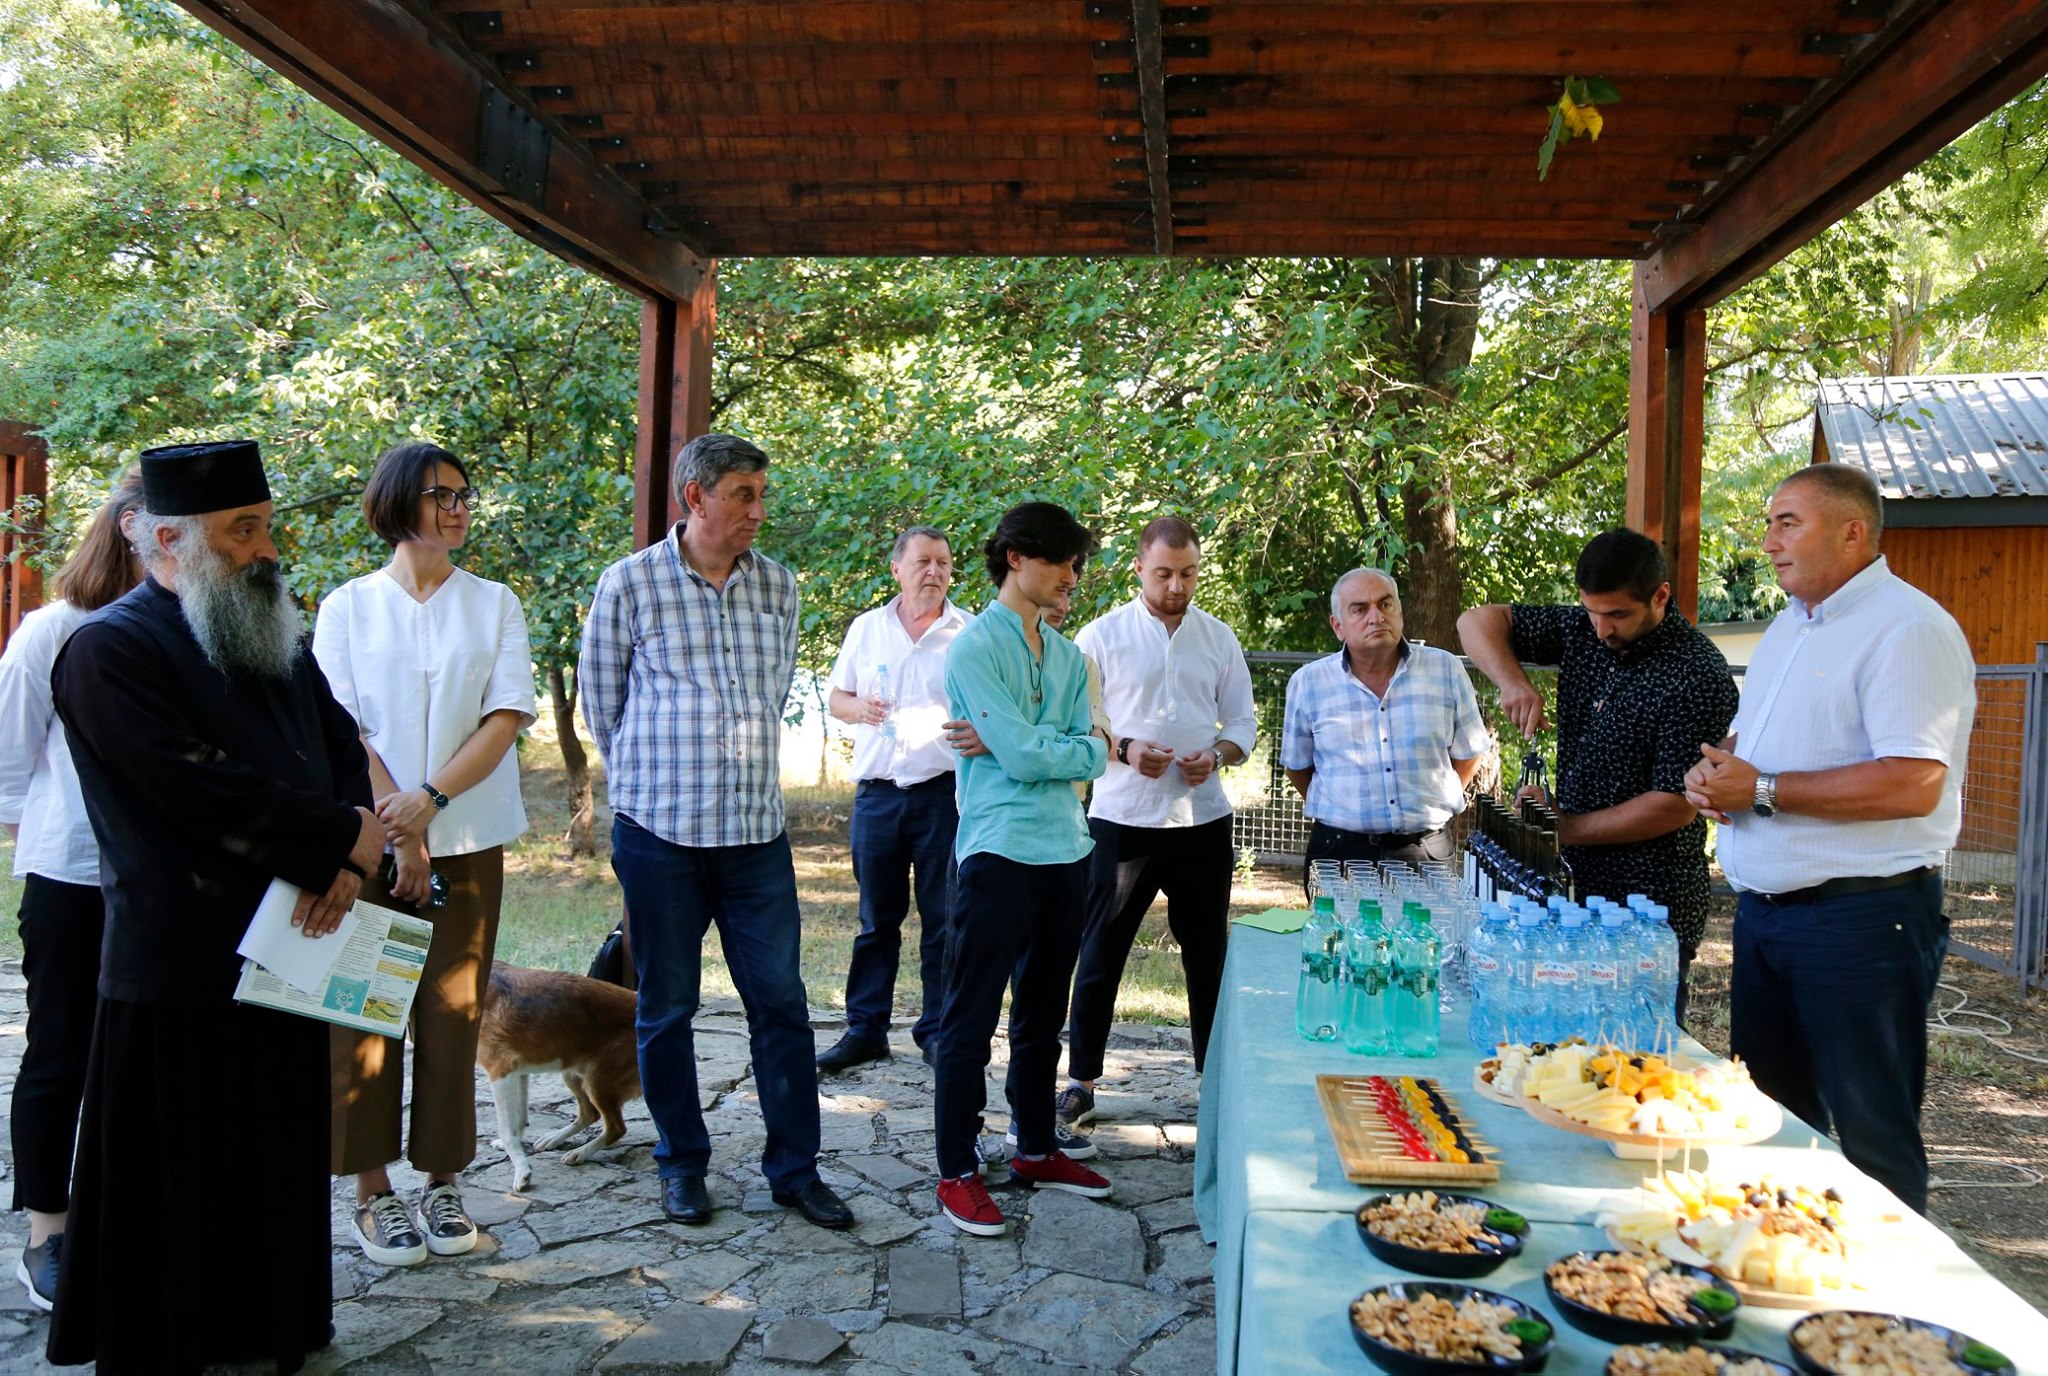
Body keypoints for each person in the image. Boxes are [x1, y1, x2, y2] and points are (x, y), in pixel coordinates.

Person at [48, 439, 387, 1374]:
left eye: (265, 525)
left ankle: (269, 1327)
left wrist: (346, 859)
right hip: (181, 960)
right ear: (169, 540)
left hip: (292, 939)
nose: (265, 549)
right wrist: (338, 838)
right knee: (178, 1169)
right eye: (242, 530)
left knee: (273, 1150)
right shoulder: (109, 651)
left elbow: (337, 748)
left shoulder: (271, 629)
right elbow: (191, 791)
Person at [579, 432, 853, 1232]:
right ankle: (681, 1164)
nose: (758, 511)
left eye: (762, 495)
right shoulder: (629, 584)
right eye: (743, 495)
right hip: (660, 836)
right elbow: (603, 705)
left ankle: (795, 1171)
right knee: (667, 1007)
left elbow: (771, 695)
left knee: (782, 1005)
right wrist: (655, 781)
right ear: (695, 496)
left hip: (754, 837)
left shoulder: (779, 586)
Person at [1683, 464, 1973, 1215]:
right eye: (1769, 523)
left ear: (1852, 532)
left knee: (1872, 1134)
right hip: (1769, 916)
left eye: (1788, 523)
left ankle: (1894, 1285)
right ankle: (1785, 1267)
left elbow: (1913, 782)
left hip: (1861, 920)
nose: (1769, 542)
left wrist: (1762, 790)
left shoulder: (1907, 629)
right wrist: (1717, 773)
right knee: (1769, 1121)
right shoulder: (1792, 624)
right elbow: (1757, 743)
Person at [314, 442, 536, 1264]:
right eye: (441, 494)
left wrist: (431, 803)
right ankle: (373, 1193)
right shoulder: (347, 608)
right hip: (371, 840)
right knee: (366, 1011)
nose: (459, 507)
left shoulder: (494, 604)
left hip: (468, 839)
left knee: (452, 1013)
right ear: (398, 503)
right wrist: (400, 827)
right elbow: (345, 730)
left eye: (464, 493)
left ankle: (443, 1182)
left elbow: (505, 718)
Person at [1458, 529, 1740, 1022]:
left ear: (1660, 596)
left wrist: (1565, 828)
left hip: (1648, 906)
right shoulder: (1581, 629)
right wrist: (1513, 682)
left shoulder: (1698, 674)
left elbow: (1674, 805)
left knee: (1635, 1054)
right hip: (1572, 898)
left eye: (1618, 615)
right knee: (1562, 1042)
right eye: (1592, 611)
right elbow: (1476, 620)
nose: (1602, 628)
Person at [930, 502, 1112, 1237]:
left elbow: (1096, 751)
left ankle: (1035, 1147)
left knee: (1042, 1019)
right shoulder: (972, 650)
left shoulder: (1068, 657)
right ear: (1016, 557)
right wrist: (1047, 746)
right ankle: (957, 1170)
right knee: (969, 1019)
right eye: (1062, 561)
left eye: (1076, 564)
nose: (1072, 577)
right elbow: (1043, 753)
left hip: (1067, 850)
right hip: (996, 852)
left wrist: (1034, 744)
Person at [0, 472, 145, 1310]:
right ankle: (46, 1235)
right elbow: (9, 759)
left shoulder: (194, 626)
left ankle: (127, 1214)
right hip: (71, 876)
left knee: (141, 1056)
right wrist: (63, 839)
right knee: (59, 1053)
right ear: (133, 528)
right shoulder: (54, 629)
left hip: (165, 884)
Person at [1059, 517, 1255, 1132]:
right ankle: (1081, 1082)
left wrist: (1216, 755)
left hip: (1202, 820)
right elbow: (1077, 724)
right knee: (1101, 949)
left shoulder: (1219, 638)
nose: (1176, 585)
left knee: (1208, 954)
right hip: (1122, 819)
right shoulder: (1099, 636)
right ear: (1139, 568)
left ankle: (1213, 1084)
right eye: (1164, 573)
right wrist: (1124, 750)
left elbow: (1242, 725)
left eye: (1188, 573)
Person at [815, 525, 972, 1075]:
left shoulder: (969, 633)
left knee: (944, 920)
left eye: (944, 563)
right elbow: (837, 697)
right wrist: (858, 708)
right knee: (876, 920)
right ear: (897, 569)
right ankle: (865, 1030)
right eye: (923, 561)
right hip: (878, 796)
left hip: (942, 797)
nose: (935, 572)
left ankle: (938, 1031)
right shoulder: (867, 628)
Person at [1281, 569, 1489, 899]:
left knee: (1431, 934)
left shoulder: (1445, 669)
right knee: (1340, 935)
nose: (1376, 617)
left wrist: (1431, 801)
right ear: (1338, 626)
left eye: (1385, 604)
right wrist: (1344, 810)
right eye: (1359, 609)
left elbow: (1469, 753)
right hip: (1340, 855)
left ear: (1400, 613)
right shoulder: (1309, 684)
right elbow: (1297, 766)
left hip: (1426, 853)